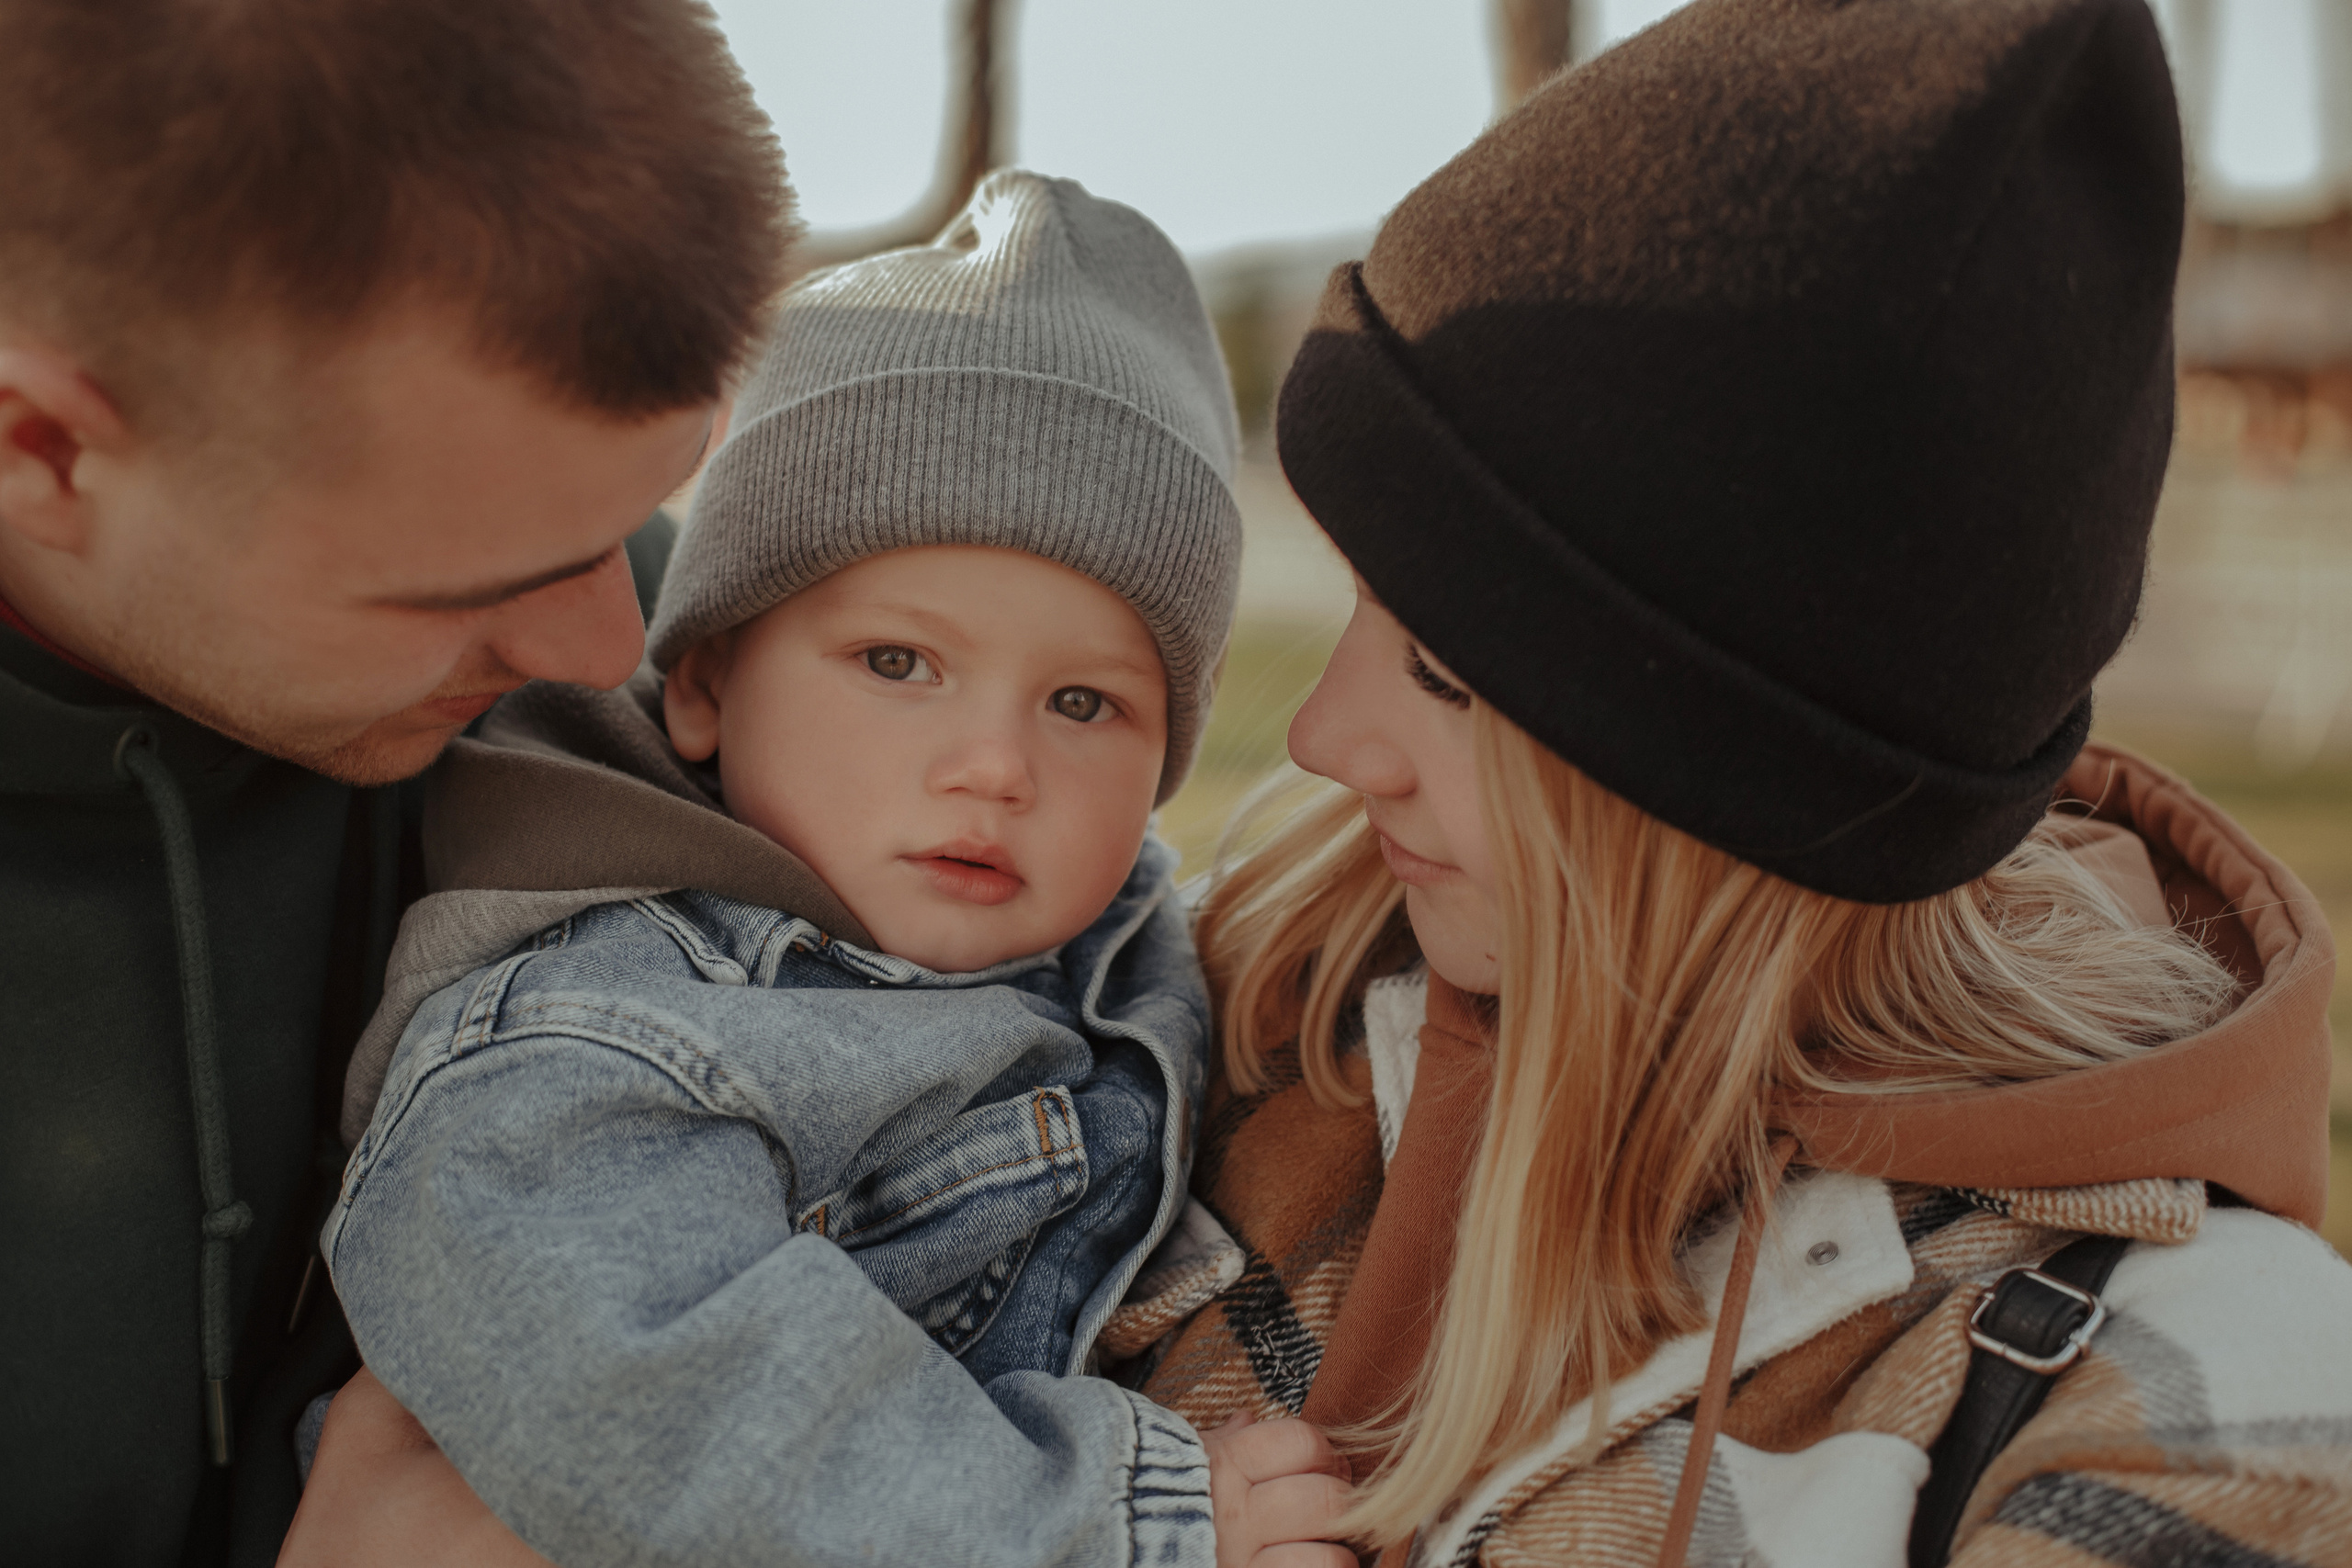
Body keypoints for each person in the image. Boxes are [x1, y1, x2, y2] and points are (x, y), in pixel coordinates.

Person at [1127, 0, 2352, 1563]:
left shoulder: (2204, 1401)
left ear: (1728, 786)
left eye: (1446, 671)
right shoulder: (1217, 1011)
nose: (1321, 737)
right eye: (1358, 595)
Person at [302, 173, 1353, 1568]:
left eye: (1085, 704)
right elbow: (661, 1392)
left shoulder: (1122, 935)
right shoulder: (603, 1028)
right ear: (711, 685)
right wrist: (1104, 1525)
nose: (995, 765)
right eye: (898, 665)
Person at [0, 0, 788, 1560]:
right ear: (38, 445)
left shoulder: (666, 658)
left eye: (640, 515)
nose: (615, 647)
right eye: (465, 585)